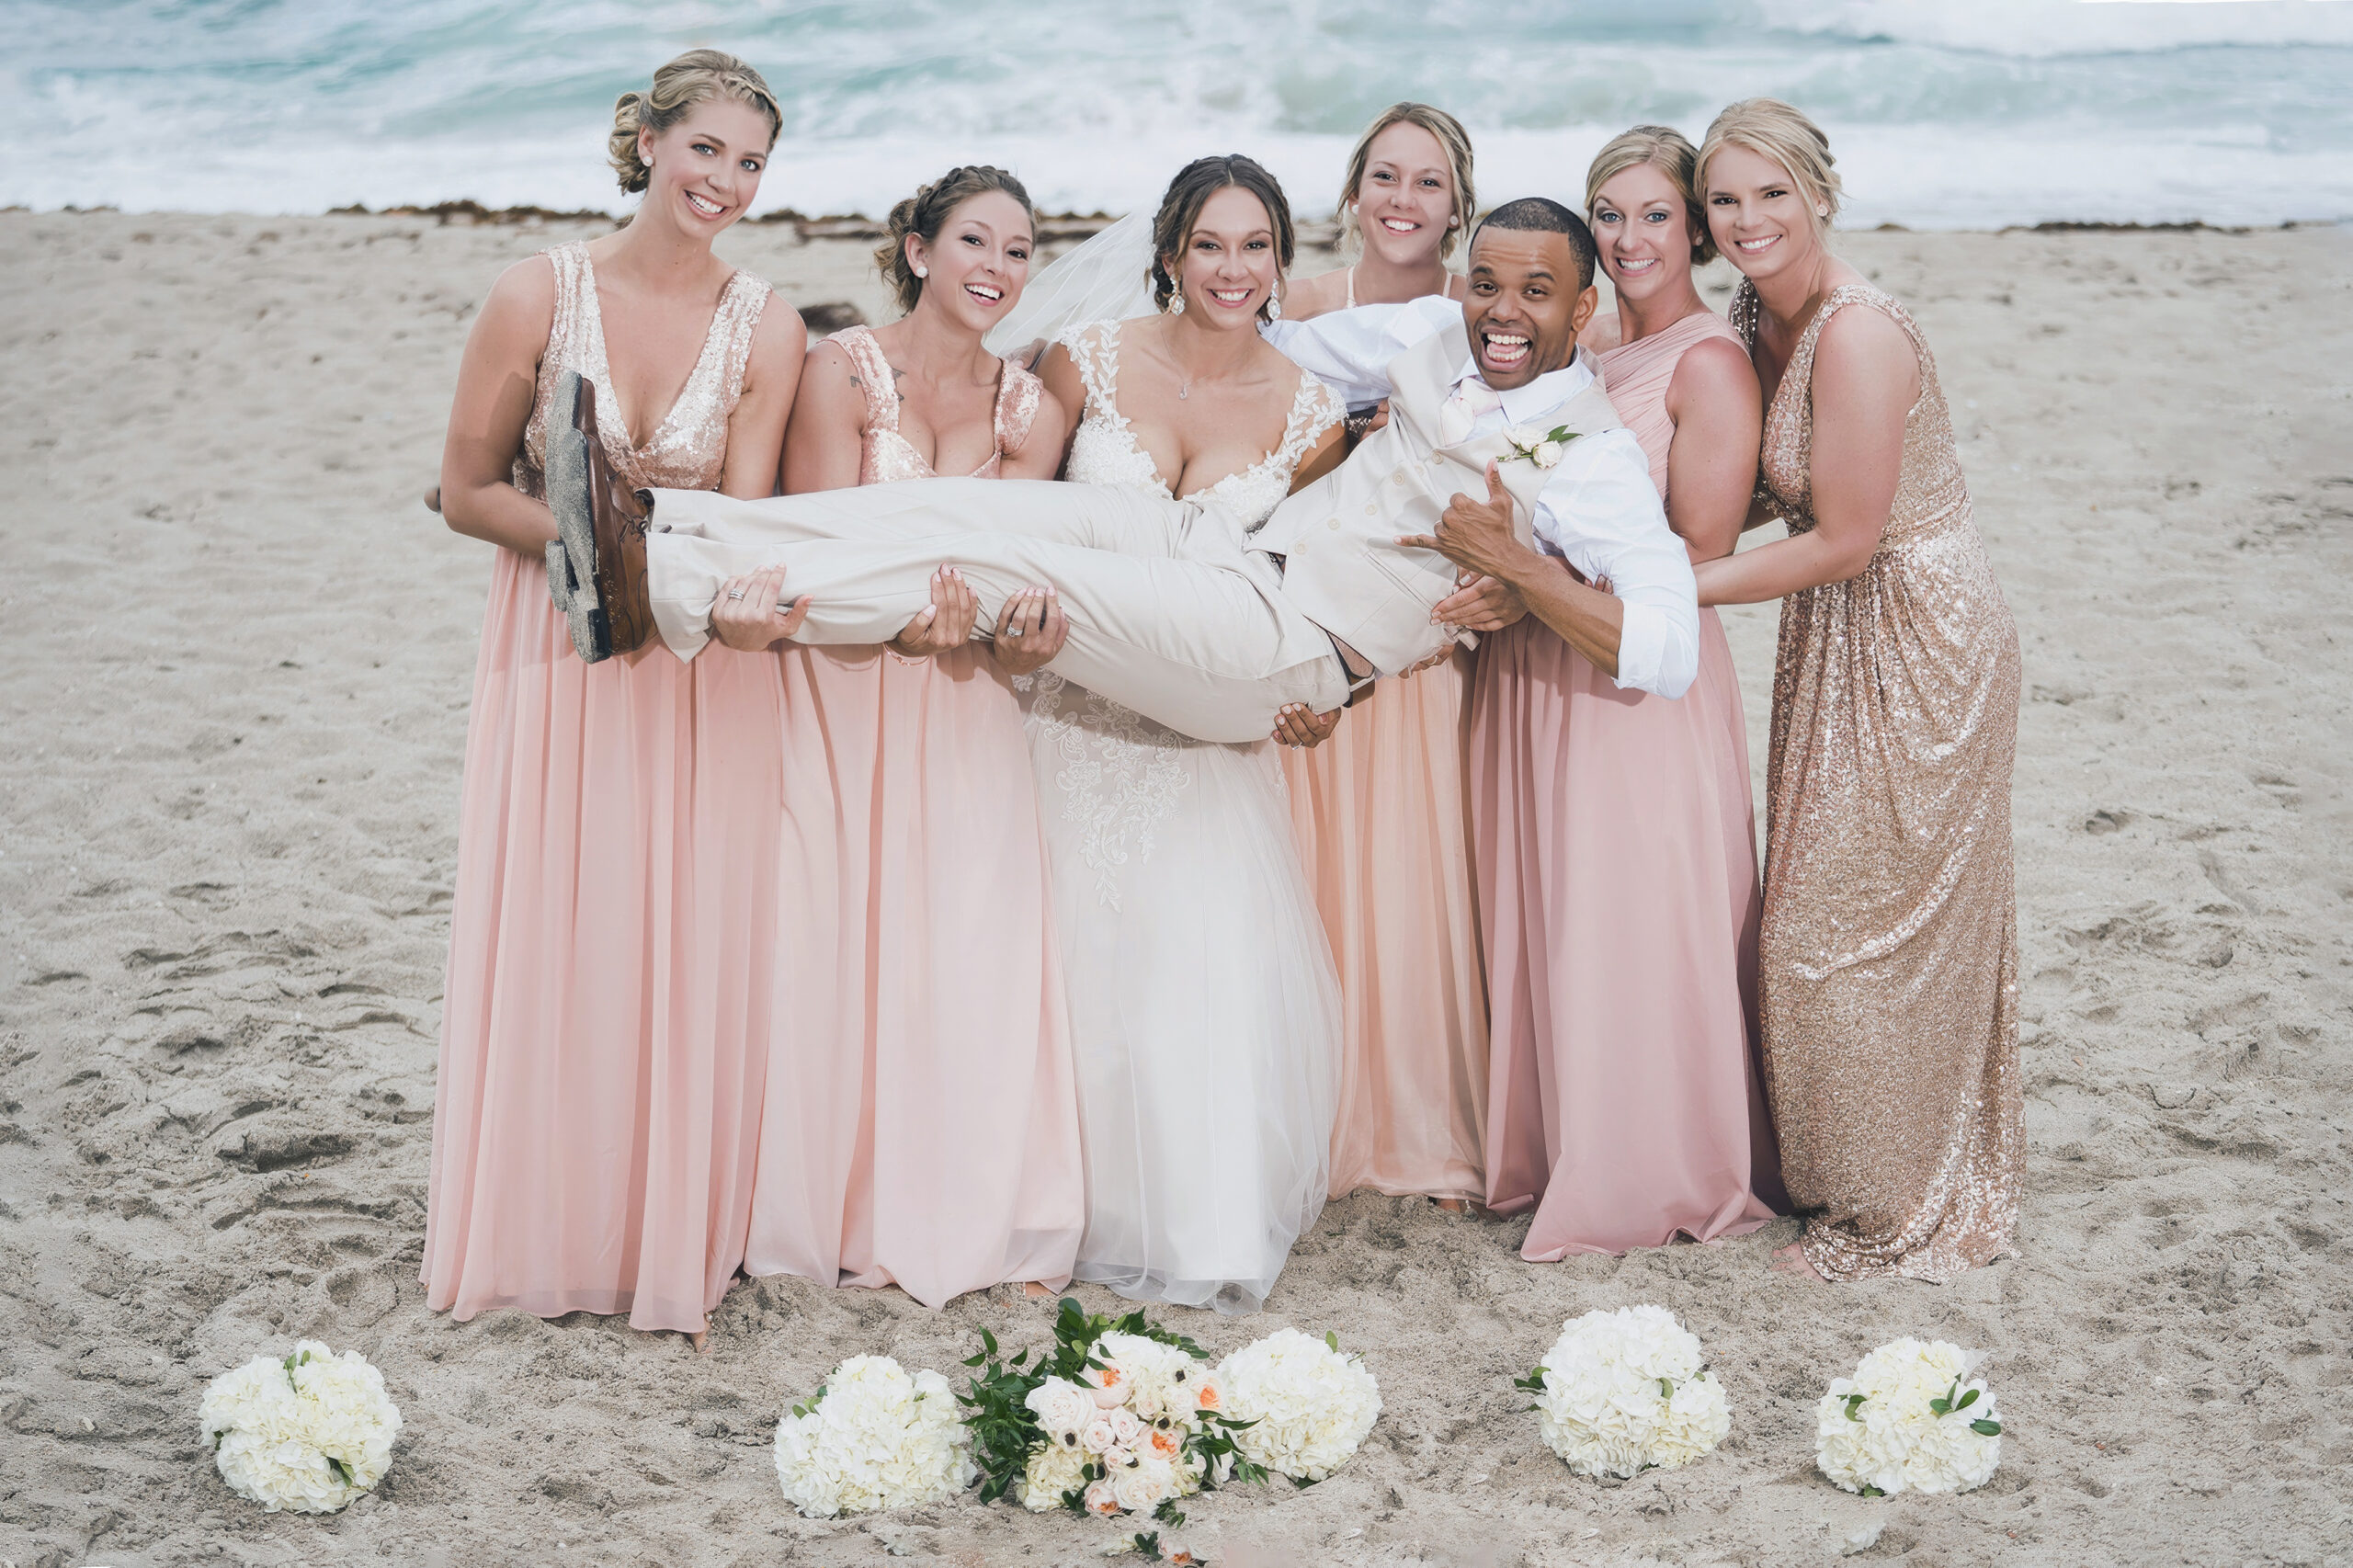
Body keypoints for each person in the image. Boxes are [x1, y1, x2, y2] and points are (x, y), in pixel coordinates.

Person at [552, 199, 1699, 758]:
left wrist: (1515, 570)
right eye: (1486, 284)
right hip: (1220, 546)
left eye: (1533, 293)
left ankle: (662, 589)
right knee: (982, 505)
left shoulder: (1588, 462)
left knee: (1005, 563)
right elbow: (1272, 337)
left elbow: (1668, 646)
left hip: (1290, 643)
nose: (1501, 313)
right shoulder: (1436, 330)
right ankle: (653, 517)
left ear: (1582, 307)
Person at [420, 51, 805, 1342]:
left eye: (750, 164)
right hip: (557, 653)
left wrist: (689, 587)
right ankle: (549, 1222)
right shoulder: (536, 291)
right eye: (707, 150)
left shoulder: (772, 325)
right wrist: (589, 551)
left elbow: (739, 518)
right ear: (646, 141)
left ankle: (665, 1229)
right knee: (562, 928)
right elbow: (468, 486)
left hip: (693, 671)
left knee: (685, 937)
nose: (727, 183)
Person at [710, 166, 1086, 1310]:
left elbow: (1024, 598)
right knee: (834, 937)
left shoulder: (1036, 412)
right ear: (917, 249)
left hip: (970, 705)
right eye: (975, 239)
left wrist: (1015, 641)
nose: (997, 267)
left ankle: (957, 1203)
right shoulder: (841, 372)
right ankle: (825, 1207)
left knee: (965, 948)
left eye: (1019, 251)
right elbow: (822, 554)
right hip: (843, 692)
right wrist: (910, 628)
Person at [1695, 99, 2022, 1282]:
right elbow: (1739, 495)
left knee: (1851, 934)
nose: (1747, 220)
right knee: (1818, 918)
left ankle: (1896, 1207)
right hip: (1832, 634)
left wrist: (1673, 591)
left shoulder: (1857, 333)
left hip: (1919, 638)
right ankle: (1855, 1170)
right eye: (1725, 199)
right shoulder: (1749, 313)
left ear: (1819, 193)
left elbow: (1841, 538)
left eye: (1771, 193)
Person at [1017, 154, 1347, 1312]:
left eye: (1255, 246)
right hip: (1063, 710)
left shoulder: (1311, 416)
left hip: (1198, 739)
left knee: (1189, 965)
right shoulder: (1086, 359)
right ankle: (1050, 1209)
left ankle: (1194, 1220)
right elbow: (1010, 510)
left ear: (1281, 262)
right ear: (1167, 249)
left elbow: (1302, 586)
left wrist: (1317, 695)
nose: (1232, 269)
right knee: (1057, 969)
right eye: (1210, 243)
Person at [1471, 126, 1783, 1260]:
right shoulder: (1585, 345)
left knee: (1631, 913)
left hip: (1628, 682)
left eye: (1656, 214)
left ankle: (1652, 1163)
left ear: (1696, 226)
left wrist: (1531, 582)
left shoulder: (1707, 363)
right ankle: (1558, 1142)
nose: (1629, 236)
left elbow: (1694, 558)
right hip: (1532, 659)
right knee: (1554, 903)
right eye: (1609, 213)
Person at [1280, 104, 1487, 1205]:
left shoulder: (1484, 314)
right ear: (1354, 190)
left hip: (1426, 637)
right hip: (1314, 621)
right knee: (1308, 876)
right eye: (1385, 177)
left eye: (1429, 183)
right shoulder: (1292, 307)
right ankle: (1308, 1109)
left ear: (1460, 208)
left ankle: (1408, 1120)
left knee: (1409, 879)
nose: (1404, 200)